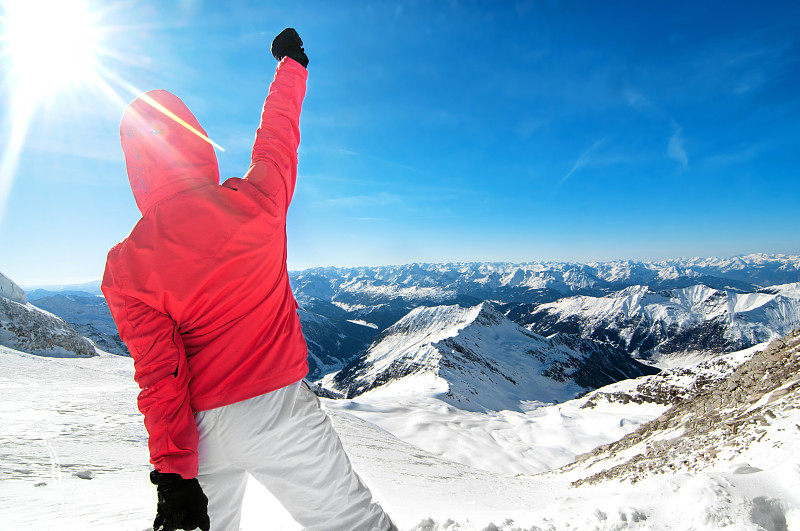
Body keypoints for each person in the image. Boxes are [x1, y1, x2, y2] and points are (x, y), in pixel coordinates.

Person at [102, 28, 396, 531]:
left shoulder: (126, 266)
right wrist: (291, 67)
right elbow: (278, 138)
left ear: (136, 169)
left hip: (200, 432)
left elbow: (159, 375)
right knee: (353, 523)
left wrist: (173, 475)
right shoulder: (256, 202)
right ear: (196, 144)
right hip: (280, 409)